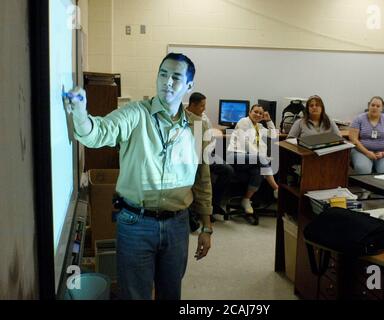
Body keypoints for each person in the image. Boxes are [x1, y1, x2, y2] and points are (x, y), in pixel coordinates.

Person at [64, 53, 212, 300]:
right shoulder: (135, 114)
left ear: (188, 86)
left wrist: (207, 227)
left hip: (177, 225)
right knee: (134, 295)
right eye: (163, 74)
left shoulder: (198, 126)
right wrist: (80, 112)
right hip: (136, 224)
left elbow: (202, 179)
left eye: (176, 77)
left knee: (171, 292)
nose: (167, 81)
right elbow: (97, 133)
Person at [185, 92, 234, 221]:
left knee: (228, 170)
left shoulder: (204, 118)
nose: (204, 109)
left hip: (207, 153)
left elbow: (211, 138)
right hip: (193, 156)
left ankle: (214, 204)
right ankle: (194, 210)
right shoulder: (183, 119)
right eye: (202, 106)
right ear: (192, 105)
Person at [227, 104, 279, 225]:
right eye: (255, 112)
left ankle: (246, 199)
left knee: (258, 170)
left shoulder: (259, 126)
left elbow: (274, 135)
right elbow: (245, 144)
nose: (258, 115)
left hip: (252, 160)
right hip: (235, 156)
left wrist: (269, 120)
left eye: (261, 113)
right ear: (250, 112)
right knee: (261, 161)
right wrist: (262, 159)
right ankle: (276, 188)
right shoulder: (243, 122)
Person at [349, 96, 384, 174]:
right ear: (369, 106)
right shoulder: (359, 119)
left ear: (382, 108)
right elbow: (353, 139)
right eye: (372, 105)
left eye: (378, 106)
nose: (375, 108)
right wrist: (367, 152)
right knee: (363, 169)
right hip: (362, 152)